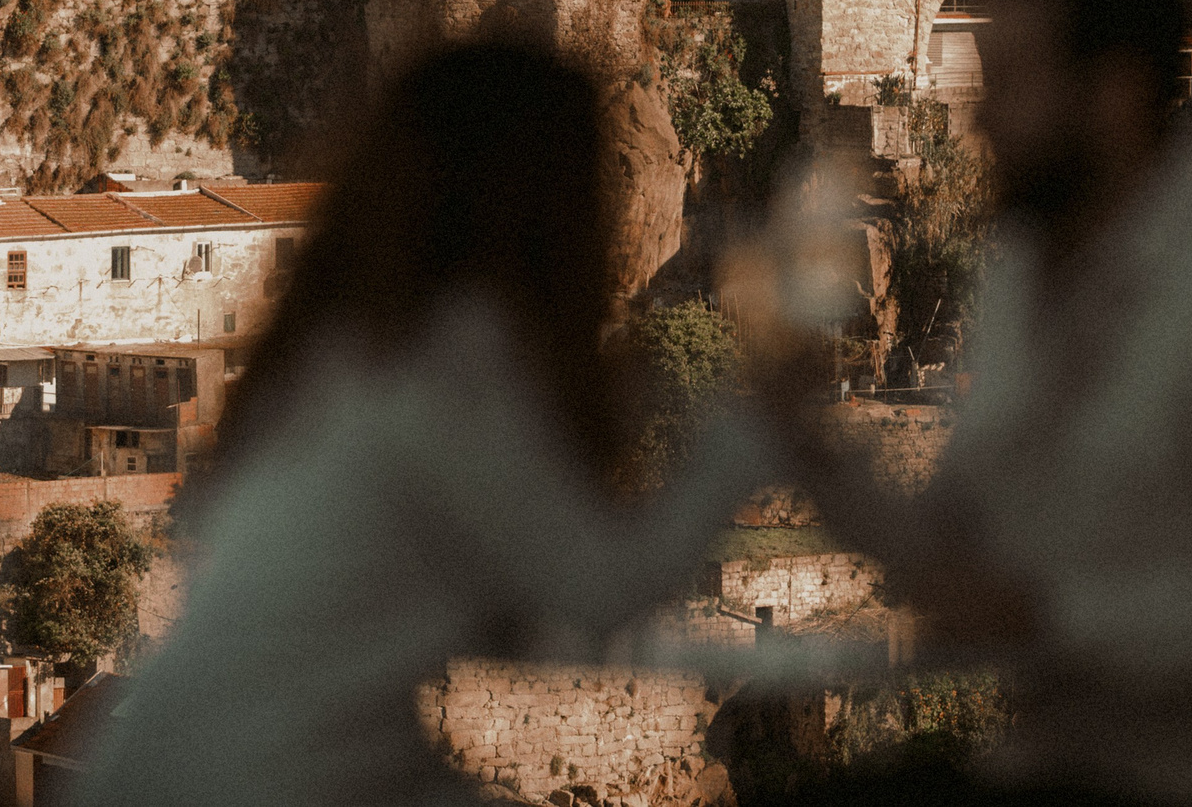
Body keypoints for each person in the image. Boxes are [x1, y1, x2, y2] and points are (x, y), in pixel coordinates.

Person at [76, 41, 773, 807]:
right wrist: (755, 426)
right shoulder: (455, 356)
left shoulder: (342, 349)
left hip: (172, 765)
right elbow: (604, 590)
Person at [781, 0, 1192, 807]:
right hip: (1059, 766)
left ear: (1111, 96)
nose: (982, 120)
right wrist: (810, 455)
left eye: (1011, 84)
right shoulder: (1021, 281)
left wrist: (1057, 620)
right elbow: (959, 537)